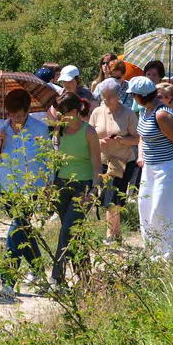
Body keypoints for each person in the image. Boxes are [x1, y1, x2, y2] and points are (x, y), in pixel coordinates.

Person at [0, 89, 52, 297]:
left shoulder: (40, 128)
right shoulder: (2, 128)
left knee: (17, 229)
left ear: (27, 112)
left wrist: (47, 186)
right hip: (9, 188)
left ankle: (7, 280)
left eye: (18, 115)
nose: (14, 119)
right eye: (11, 114)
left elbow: (47, 158)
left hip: (31, 187)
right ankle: (39, 273)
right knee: (24, 230)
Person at [130, 76, 173, 261]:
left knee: (163, 209)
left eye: (133, 95)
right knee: (146, 206)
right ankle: (152, 251)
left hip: (169, 167)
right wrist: (142, 156)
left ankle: (167, 256)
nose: (132, 98)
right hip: (150, 165)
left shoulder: (161, 114)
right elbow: (143, 137)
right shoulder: (145, 110)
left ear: (140, 96)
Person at [51, 93, 101, 286]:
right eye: (59, 113)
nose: (61, 117)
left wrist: (94, 191)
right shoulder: (59, 131)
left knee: (67, 231)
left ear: (75, 111)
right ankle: (85, 276)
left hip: (83, 186)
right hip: (61, 185)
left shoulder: (89, 132)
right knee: (75, 233)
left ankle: (57, 276)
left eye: (64, 113)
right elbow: (54, 162)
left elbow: (97, 165)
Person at [89, 78, 139, 243]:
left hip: (123, 161)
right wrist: (99, 141)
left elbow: (137, 139)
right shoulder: (97, 112)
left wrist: (120, 140)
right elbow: (90, 134)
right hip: (102, 160)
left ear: (118, 95)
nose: (106, 99)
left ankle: (110, 234)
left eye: (110, 96)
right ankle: (117, 234)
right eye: (103, 96)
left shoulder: (128, 113)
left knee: (113, 196)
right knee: (107, 196)